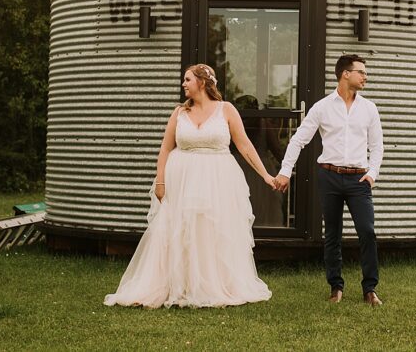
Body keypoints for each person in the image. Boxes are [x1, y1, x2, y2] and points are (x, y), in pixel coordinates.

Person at [104, 64, 274, 308]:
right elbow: (165, 148)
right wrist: (160, 181)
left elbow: (245, 146)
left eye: (187, 79)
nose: (183, 84)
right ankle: (176, 283)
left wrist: (266, 175)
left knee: (209, 231)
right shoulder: (179, 113)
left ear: (202, 83)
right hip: (181, 179)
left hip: (217, 180)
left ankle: (209, 284)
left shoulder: (226, 110)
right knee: (178, 230)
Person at [274, 54, 384, 306]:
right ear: (345, 74)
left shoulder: (369, 108)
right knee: (332, 234)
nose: (365, 77)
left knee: (367, 231)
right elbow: (298, 140)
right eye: (361, 72)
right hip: (329, 176)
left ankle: (370, 289)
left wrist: (372, 173)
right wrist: (285, 171)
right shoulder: (322, 107)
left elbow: (377, 146)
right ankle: (336, 288)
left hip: (359, 180)